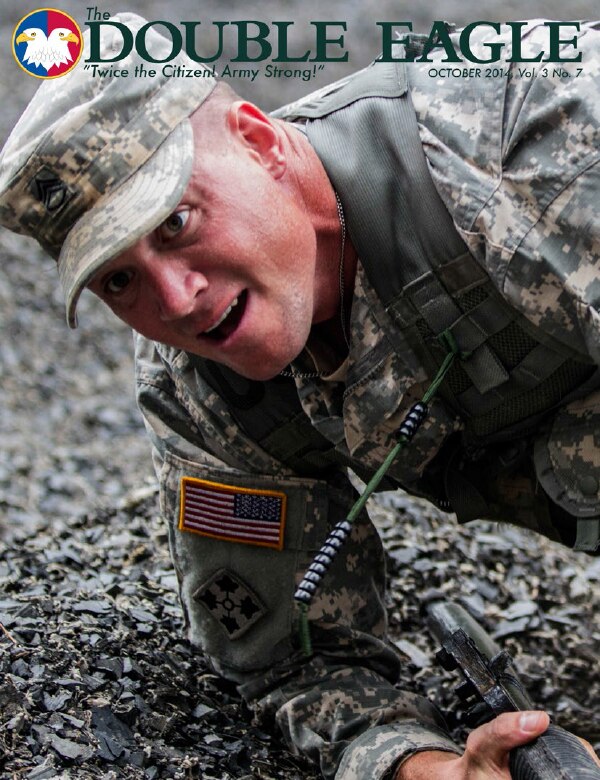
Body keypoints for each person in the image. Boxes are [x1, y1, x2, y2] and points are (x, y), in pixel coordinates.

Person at [1, 12, 599, 780]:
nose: (175, 299)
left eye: (176, 221)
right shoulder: (201, 392)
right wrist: (427, 768)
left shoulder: (534, 145)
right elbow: (296, 666)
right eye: (120, 279)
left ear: (260, 139)